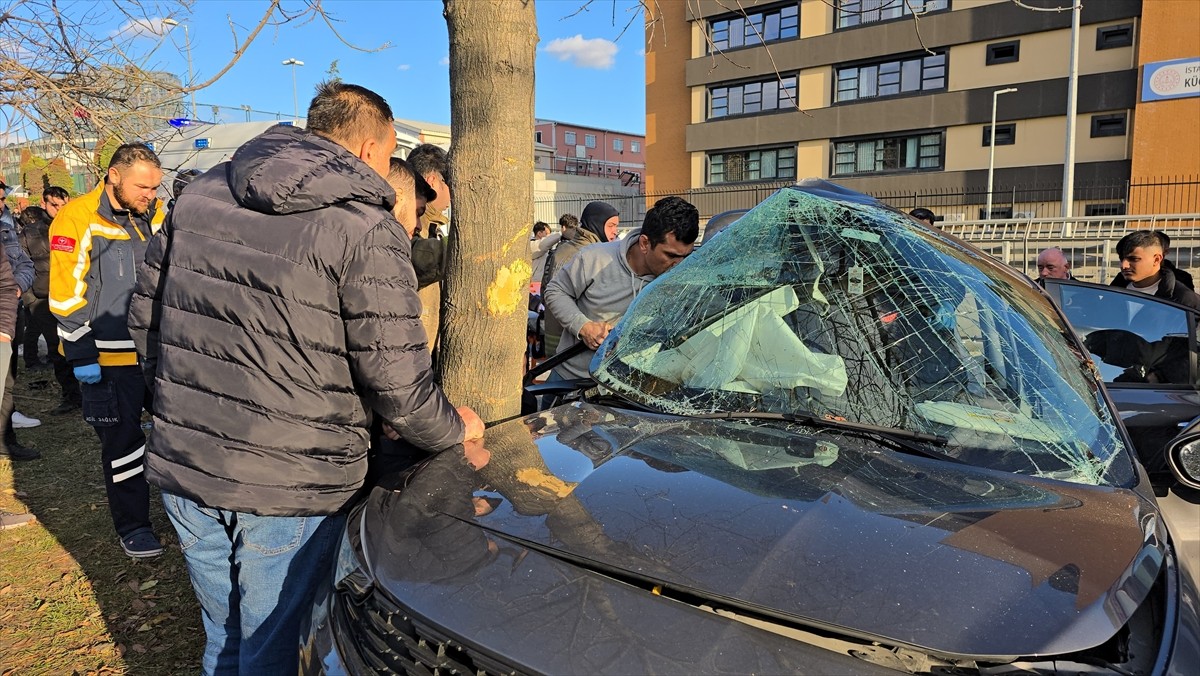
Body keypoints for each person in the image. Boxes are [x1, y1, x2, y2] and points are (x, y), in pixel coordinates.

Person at [127, 81, 484, 674]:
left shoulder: (198, 197)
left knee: (226, 636)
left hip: (189, 461)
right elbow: (399, 384)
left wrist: (174, 413)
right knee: (275, 645)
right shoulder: (364, 227)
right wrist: (455, 430)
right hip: (289, 482)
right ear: (371, 148)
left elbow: (148, 327)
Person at [49, 144, 166, 556]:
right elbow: (64, 294)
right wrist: (81, 354)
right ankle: (134, 526)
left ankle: (180, 507)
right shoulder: (77, 217)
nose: (150, 194)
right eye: (142, 186)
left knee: (173, 435)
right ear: (114, 175)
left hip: (158, 352)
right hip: (108, 359)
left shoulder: (158, 216)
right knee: (123, 446)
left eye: (155, 186)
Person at [543, 196, 699, 381]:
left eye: (686, 256)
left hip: (630, 391)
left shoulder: (685, 278)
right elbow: (555, 291)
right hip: (571, 380)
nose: (679, 265)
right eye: (671, 255)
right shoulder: (594, 258)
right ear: (644, 243)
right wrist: (584, 326)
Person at [18, 206, 81, 414]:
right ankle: (72, 395)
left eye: (62, 203)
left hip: (73, 295)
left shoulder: (72, 225)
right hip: (42, 299)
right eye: (53, 204)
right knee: (57, 348)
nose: (59, 208)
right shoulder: (29, 234)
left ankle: (86, 391)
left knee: (78, 342)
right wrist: (31, 301)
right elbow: (22, 266)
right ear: (45, 205)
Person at [540, 201, 620, 356]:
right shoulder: (574, 253)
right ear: (596, 224)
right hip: (566, 341)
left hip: (583, 341)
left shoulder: (600, 252)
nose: (615, 231)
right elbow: (553, 295)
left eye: (616, 226)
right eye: (611, 226)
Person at [0, 180, 38, 459]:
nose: (0, 204)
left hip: (8, 313)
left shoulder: (7, 228)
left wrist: (15, 288)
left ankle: (5, 441)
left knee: (7, 382)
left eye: (2, 198)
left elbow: (26, 264)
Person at [407, 143, 452, 349]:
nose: (452, 192)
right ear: (432, 181)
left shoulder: (433, 225)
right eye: (448, 182)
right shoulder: (413, 224)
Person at [1110, 230, 1200, 309]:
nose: (1124, 265)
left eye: (1134, 259)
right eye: (1121, 259)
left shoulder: (1184, 298)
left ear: (1157, 259)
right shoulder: (1114, 290)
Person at [530, 220, 561, 286]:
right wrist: (561, 234)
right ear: (539, 233)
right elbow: (543, 244)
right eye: (546, 234)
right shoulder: (533, 245)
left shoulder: (547, 250)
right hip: (535, 283)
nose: (549, 237)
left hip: (542, 283)